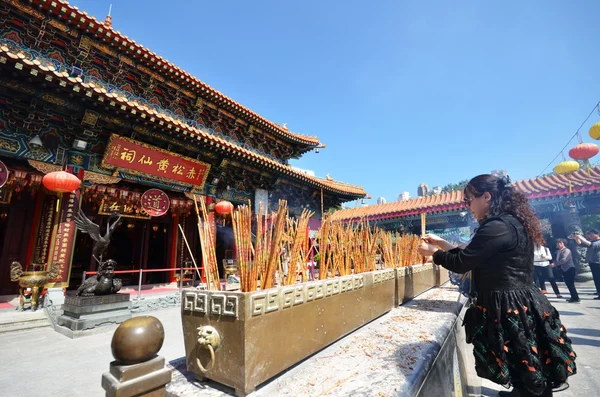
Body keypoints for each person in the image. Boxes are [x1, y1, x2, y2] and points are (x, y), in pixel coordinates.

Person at [418, 174, 576, 397]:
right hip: (519, 298)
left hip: (509, 302)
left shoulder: (497, 226)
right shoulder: (510, 222)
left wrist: (435, 254)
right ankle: (521, 390)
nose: (468, 206)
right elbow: (473, 255)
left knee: (524, 355)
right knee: (520, 356)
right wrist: (442, 244)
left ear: (487, 197)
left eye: (469, 199)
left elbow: (463, 263)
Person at [572, 229, 600, 299]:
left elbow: (590, 244)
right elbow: (581, 244)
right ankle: (598, 291)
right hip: (593, 262)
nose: (590, 235)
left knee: (598, 278)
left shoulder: (598, 242)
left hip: (598, 262)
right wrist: (577, 238)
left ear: (598, 234)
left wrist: (580, 236)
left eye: (591, 234)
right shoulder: (592, 241)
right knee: (596, 278)